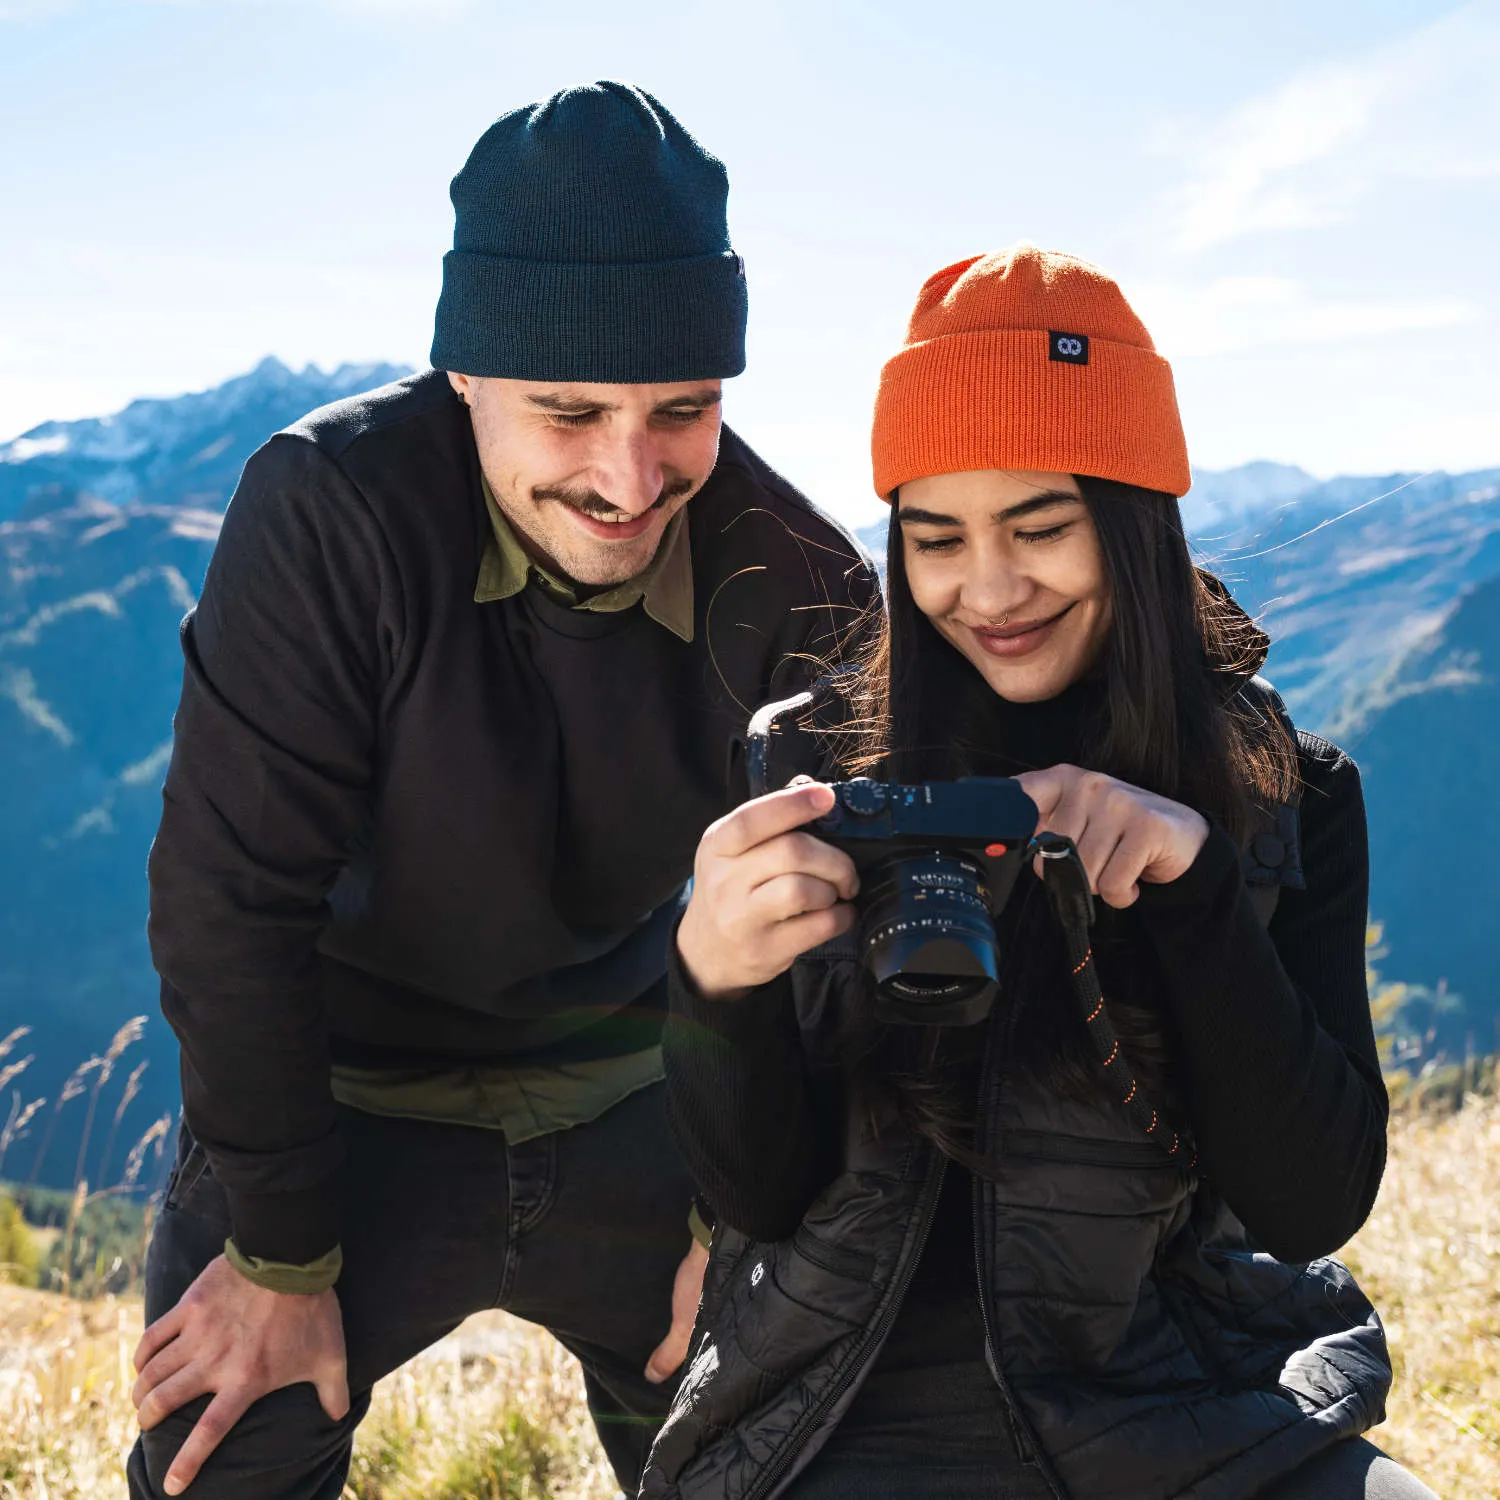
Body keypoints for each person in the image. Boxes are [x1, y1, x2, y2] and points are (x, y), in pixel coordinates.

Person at [128, 81, 875, 1500]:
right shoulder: (328, 510)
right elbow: (232, 900)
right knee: (219, 1455)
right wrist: (280, 1251)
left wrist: (742, 1215)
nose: (631, 474)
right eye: (570, 410)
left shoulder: (801, 578)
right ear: (465, 374)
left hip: (643, 1101)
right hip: (334, 1106)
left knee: (792, 1460)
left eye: (684, 409)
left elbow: (834, 944)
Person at [648, 246, 1436, 1499]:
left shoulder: (1284, 791)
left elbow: (1311, 1206)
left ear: (1131, 522)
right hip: (838, 1407)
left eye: (1041, 525)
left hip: (1182, 1398)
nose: (989, 588)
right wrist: (714, 983)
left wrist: (1196, 891)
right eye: (936, 537)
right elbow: (760, 1191)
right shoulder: (809, 762)